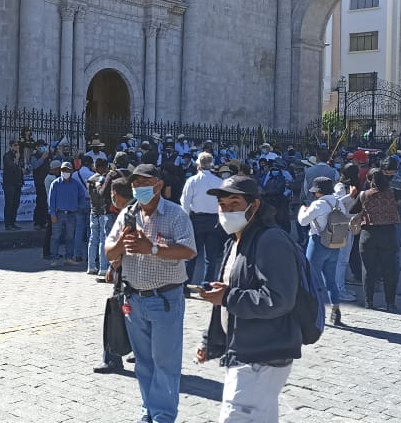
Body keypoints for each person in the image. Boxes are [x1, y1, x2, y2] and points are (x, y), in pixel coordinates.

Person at [197, 175, 303, 423]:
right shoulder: (236, 241)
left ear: (254, 206)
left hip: (261, 354)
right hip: (244, 349)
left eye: (234, 204)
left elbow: (279, 299)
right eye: (222, 205)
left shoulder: (271, 240)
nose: (226, 211)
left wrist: (228, 296)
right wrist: (211, 339)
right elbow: (227, 294)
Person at [104, 164, 196, 423]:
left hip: (165, 300)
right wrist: (121, 244)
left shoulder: (176, 214)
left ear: (157, 185)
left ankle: (163, 417)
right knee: (144, 363)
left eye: (143, 183)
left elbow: (189, 251)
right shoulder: (128, 214)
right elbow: (109, 251)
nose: (138, 188)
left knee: (165, 364)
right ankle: (149, 411)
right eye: (135, 184)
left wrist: (152, 248)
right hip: (134, 300)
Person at [93, 176, 134, 374]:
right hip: (132, 273)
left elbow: (124, 244)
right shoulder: (137, 210)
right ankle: (136, 350)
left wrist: (114, 264)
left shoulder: (129, 213)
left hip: (127, 274)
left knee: (116, 313)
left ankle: (112, 357)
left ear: (115, 195)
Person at [351, 171, 401, 309]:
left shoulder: (364, 194)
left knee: (368, 270)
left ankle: (369, 302)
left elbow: (352, 209)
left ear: (370, 181)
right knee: (389, 270)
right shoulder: (393, 192)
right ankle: (390, 303)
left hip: (368, 234)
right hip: (388, 233)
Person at [297, 176, 344, 326]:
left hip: (318, 242)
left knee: (311, 279)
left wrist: (302, 210)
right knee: (331, 280)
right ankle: (336, 310)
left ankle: (314, 312)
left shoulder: (318, 204)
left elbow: (303, 222)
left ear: (319, 192)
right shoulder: (339, 202)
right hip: (335, 244)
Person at [180, 152, 228, 286]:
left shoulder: (193, 181)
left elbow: (185, 202)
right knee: (211, 256)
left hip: (197, 219)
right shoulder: (219, 182)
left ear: (198, 165)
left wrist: (186, 218)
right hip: (214, 219)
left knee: (192, 253)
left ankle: (185, 283)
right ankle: (207, 283)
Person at [48, 161, 87, 266]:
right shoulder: (55, 184)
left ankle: (68, 258)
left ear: (71, 171)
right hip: (58, 214)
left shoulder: (76, 185)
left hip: (71, 214)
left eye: (67, 170)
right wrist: (52, 214)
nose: (65, 172)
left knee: (70, 237)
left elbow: (82, 197)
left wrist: (79, 208)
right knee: (55, 237)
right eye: (63, 170)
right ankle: (54, 259)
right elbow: (51, 200)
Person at [334, 163, 362, 301]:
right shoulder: (340, 187)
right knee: (341, 260)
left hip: (351, 225)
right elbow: (335, 204)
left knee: (344, 259)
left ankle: (341, 286)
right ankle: (338, 289)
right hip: (341, 225)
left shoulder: (355, 187)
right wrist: (350, 196)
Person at [86, 158, 117, 278]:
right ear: (105, 167)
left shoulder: (90, 180)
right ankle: (103, 268)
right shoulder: (103, 179)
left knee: (93, 239)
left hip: (93, 211)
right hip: (103, 211)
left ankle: (91, 265)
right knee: (103, 240)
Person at [2, 139, 25, 231]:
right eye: (15, 145)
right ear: (11, 146)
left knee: (16, 204)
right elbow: (10, 166)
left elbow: (22, 167)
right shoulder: (7, 156)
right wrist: (17, 159)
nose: (17, 147)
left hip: (18, 183)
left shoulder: (20, 156)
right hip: (9, 183)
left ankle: (13, 222)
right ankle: (8, 224)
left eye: (18, 145)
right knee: (9, 204)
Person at [30, 140, 52, 230]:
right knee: (40, 202)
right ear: (37, 147)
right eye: (41, 146)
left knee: (45, 203)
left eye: (44, 145)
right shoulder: (34, 156)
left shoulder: (47, 156)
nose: (43, 147)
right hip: (39, 182)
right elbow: (35, 166)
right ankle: (37, 222)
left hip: (46, 181)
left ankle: (44, 221)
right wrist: (42, 158)